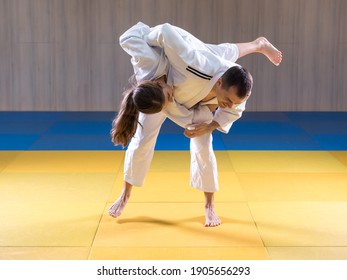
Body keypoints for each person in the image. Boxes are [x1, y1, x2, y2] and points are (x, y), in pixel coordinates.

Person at [109, 22, 282, 226]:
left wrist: (210, 125)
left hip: (195, 88)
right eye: (227, 99)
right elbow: (164, 31)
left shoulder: (235, 88)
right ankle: (125, 193)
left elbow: (233, 108)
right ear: (219, 83)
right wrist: (150, 41)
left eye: (232, 102)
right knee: (142, 137)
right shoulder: (185, 62)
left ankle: (209, 205)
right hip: (169, 87)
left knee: (204, 143)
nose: (226, 105)